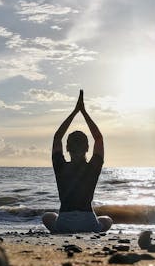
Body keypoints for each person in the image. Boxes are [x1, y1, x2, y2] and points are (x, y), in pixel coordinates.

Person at [42, 90, 113, 233]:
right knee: (107, 220)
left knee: (47, 217)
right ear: (87, 148)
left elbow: (57, 138)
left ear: (67, 148)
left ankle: (59, 231)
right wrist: (83, 112)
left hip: (64, 223)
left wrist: (75, 112)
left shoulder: (60, 166)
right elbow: (98, 138)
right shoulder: (93, 167)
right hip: (89, 223)